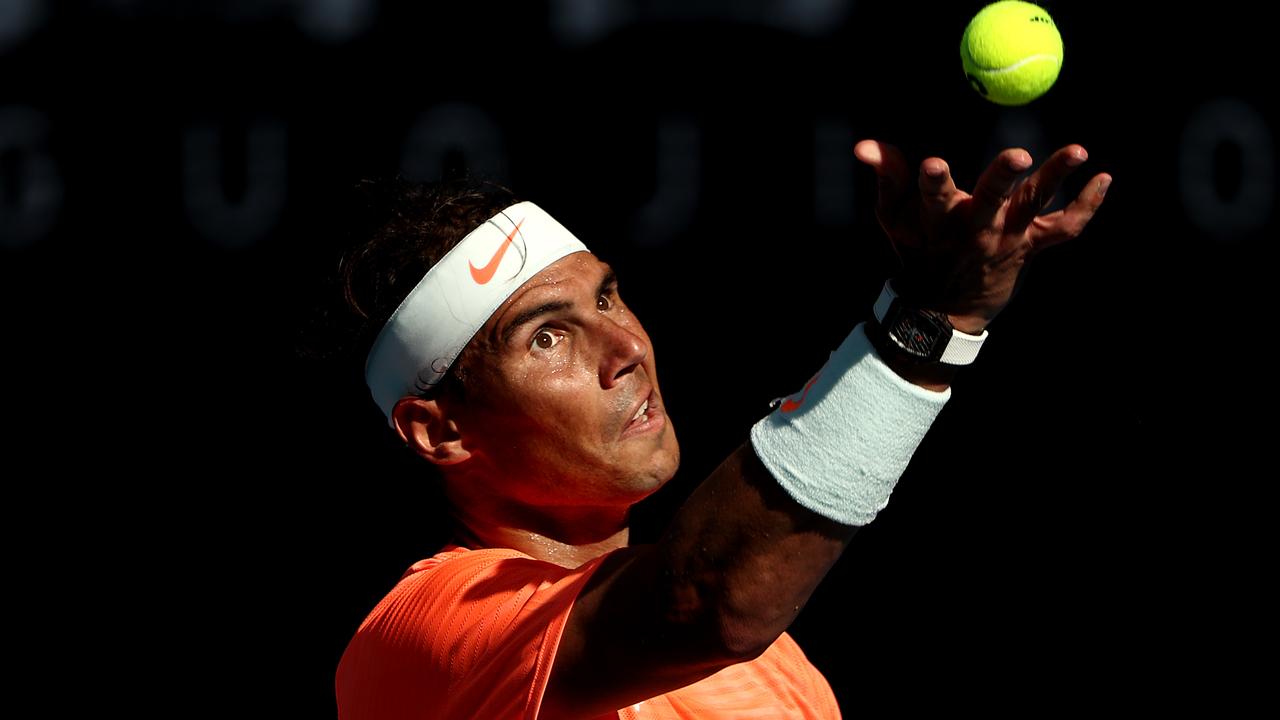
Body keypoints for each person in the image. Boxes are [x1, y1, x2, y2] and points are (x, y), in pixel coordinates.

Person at [331, 139, 1111, 719]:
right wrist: (926, 326)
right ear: (439, 432)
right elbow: (707, 601)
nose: (628, 348)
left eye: (606, 300)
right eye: (547, 336)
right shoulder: (415, 643)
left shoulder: (781, 668)